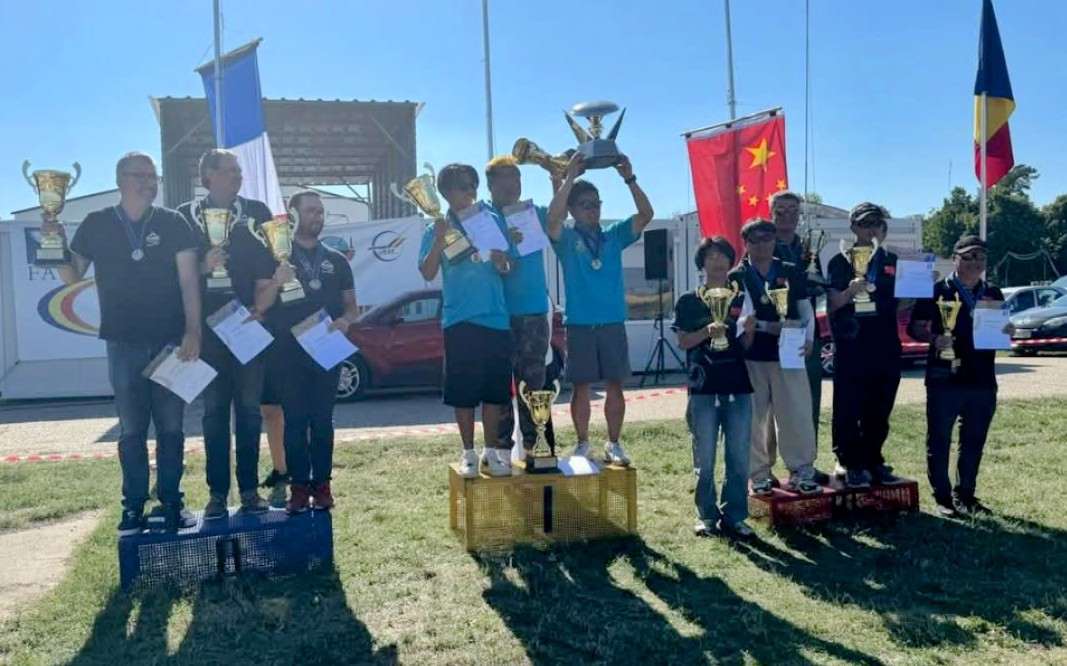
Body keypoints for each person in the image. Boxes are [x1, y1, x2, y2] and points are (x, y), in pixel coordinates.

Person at [45, 152, 201, 535]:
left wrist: (193, 331)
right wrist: (54, 239)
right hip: (122, 341)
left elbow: (188, 281)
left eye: (153, 176)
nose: (150, 182)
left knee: (171, 428)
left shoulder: (173, 222)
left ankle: (171, 503)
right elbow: (71, 276)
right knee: (132, 430)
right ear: (120, 180)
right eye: (141, 175)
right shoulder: (97, 223)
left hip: (170, 343)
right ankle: (132, 507)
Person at [177, 149, 274, 518]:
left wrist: (261, 308)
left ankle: (249, 490)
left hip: (247, 327)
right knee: (214, 413)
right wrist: (206, 266)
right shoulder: (185, 216)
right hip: (208, 332)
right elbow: (180, 274)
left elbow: (268, 267)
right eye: (230, 171)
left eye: (239, 171)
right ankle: (217, 494)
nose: (238, 177)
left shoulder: (257, 213)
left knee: (249, 411)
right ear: (208, 177)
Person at [254, 191, 359, 513]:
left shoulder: (337, 260)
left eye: (321, 211)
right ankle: (298, 487)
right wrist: (276, 281)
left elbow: (352, 307)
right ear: (294, 215)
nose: (318, 216)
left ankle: (322, 486)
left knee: (323, 421)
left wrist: (344, 322)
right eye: (311, 211)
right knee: (295, 421)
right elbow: (260, 305)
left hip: (326, 351)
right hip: (288, 353)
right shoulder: (275, 255)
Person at [546, 152, 654, 465]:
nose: (593, 210)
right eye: (585, 205)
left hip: (611, 322)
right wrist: (568, 178)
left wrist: (629, 178)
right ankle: (582, 444)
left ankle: (614, 443)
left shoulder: (614, 236)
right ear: (572, 209)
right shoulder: (566, 239)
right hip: (580, 323)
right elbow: (552, 219)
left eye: (596, 204)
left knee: (614, 386)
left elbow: (646, 214)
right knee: (581, 387)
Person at [418, 164, 514, 478]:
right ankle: (468, 453)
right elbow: (427, 272)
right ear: (446, 192)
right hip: (460, 319)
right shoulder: (437, 228)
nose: (470, 192)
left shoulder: (490, 219)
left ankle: (491, 452)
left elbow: (507, 268)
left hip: (496, 318)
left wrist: (501, 261)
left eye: (473, 185)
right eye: (463, 186)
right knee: (464, 393)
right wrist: (438, 240)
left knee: (495, 393)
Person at [907, 235, 1013, 517]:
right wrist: (933, 339)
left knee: (974, 439)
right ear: (955, 259)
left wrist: (1007, 330)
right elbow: (914, 328)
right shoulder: (936, 290)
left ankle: (966, 494)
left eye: (980, 257)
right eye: (968, 256)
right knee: (940, 439)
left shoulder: (993, 292)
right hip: (944, 377)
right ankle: (943, 498)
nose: (975, 262)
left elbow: (999, 329)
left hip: (982, 378)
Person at [672, 236, 756, 539]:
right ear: (702, 263)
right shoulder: (688, 300)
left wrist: (750, 330)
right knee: (704, 458)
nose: (717, 261)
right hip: (703, 387)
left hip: (737, 386)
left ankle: (735, 516)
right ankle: (706, 515)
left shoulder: (741, 298)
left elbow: (746, 345)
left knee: (739, 457)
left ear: (731, 261)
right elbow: (683, 342)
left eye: (722, 256)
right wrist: (707, 331)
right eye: (711, 256)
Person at [729, 218, 820, 495]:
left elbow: (805, 309)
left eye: (766, 239)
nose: (761, 245)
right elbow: (737, 320)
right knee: (754, 419)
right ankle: (758, 474)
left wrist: (809, 338)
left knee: (796, 414)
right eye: (754, 240)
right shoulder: (736, 277)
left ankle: (801, 470)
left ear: (774, 241)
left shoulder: (791, 270)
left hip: (789, 353)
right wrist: (767, 327)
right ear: (745, 243)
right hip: (751, 356)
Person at [483, 155, 559, 466]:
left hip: (534, 312)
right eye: (506, 177)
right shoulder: (483, 218)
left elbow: (558, 216)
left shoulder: (532, 213)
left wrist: (558, 178)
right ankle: (500, 451)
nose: (513, 184)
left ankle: (537, 449)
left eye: (517, 178)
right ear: (490, 184)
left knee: (535, 385)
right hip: (497, 315)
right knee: (500, 385)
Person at [825, 203, 905, 488]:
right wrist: (850, 290)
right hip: (851, 343)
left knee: (880, 406)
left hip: (884, 344)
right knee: (848, 406)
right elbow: (831, 304)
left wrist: (921, 285)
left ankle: (873, 459)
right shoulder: (839, 261)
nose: (870, 229)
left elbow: (900, 303)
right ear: (853, 228)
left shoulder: (892, 260)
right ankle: (849, 461)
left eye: (875, 223)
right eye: (864, 223)